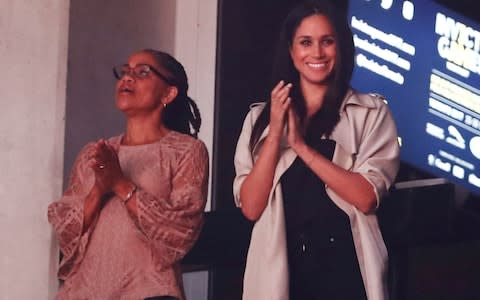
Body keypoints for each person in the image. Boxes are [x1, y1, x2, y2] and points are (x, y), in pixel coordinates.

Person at [233, 1, 400, 299]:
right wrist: (274, 136)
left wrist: (301, 146)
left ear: (341, 47)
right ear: (291, 50)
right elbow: (251, 206)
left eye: (327, 42)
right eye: (306, 42)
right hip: (282, 276)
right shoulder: (258, 119)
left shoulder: (370, 113)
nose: (317, 53)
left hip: (346, 273)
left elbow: (365, 197)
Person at [48, 49, 209, 300]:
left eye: (143, 72)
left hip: (150, 293)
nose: (127, 78)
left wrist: (121, 184)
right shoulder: (95, 153)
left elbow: (181, 232)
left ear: (169, 93)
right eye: (125, 71)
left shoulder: (187, 151)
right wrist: (98, 191)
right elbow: (65, 233)